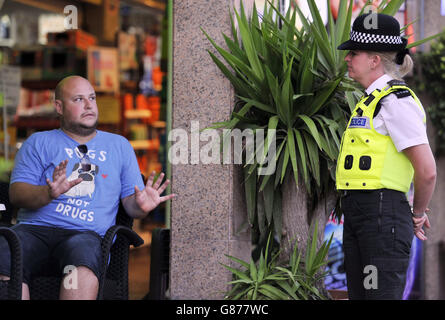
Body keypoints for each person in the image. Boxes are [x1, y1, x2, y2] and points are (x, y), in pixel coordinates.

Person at [0, 75, 175, 300]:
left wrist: (142, 206)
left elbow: (131, 207)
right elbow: (16, 194)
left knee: (82, 252)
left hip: (85, 234)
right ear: (59, 107)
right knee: (6, 247)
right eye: (78, 99)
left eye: (91, 98)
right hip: (35, 231)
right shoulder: (38, 142)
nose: (89, 104)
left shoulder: (119, 145)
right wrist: (48, 193)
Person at [335, 13, 436, 299]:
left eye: (353, 53)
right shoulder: (370, 101)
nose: (347, 59)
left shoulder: (396, 102)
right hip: (364, 214)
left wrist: (417, 213)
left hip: (382, 215)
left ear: (375, 60)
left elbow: (427, 170)